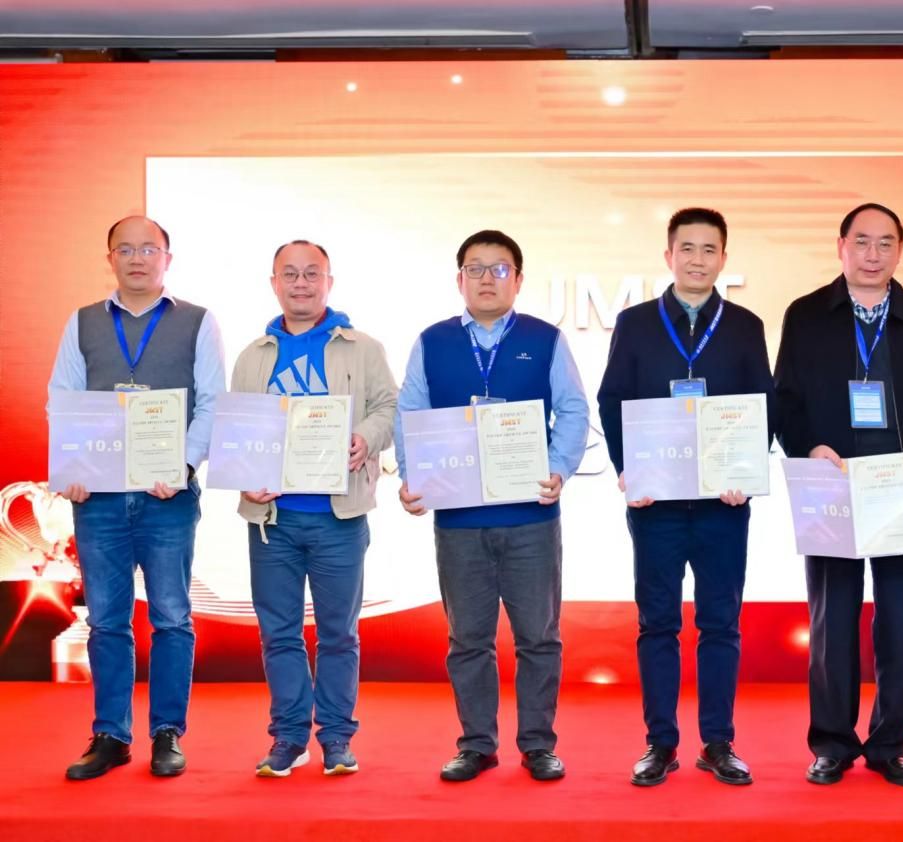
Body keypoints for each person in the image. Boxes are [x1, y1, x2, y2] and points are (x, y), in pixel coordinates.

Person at [775, 202, 903, 787]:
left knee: (900, 621)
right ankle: (832, 743)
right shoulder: (807, 315)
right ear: (841, 247)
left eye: (885, 243)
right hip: (832, 485)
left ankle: (890, 744)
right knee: (831, 621)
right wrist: (808, 447)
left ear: (900, 251)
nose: (873, 254)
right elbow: (785, 398)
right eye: (861, 241)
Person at [395, 230, 588, 782]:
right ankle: (476, 744)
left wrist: (559, 469)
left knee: (539, 637)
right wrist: (413, 478)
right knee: (468, 640)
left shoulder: (545, 339)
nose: (487, 278)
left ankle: (538, 744)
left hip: (531, 517)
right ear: (459, 279)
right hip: (459, 520)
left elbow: (574, 409)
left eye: (499, 269)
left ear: (518, 280)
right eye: (475, 268)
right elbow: (411, 415)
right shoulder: (432, 341)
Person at [597, 207, 774, 787]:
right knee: (658, 624)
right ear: (668, 255)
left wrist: (746, 471)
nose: (698, 260)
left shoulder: (745, 325)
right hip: (658, 507)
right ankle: (661, 743)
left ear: (724, 257)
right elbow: (612, 399)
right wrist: (630, 471)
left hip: (724, 504)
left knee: (721, 623)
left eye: (709, 249)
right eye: (688, 249)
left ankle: (718, 742)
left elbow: (762, 404)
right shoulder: (635, 323)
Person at [50, 215, 225, 780]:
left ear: (167, 258)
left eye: (149, 249)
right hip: (98, 497)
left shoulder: (198, 321)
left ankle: (167, 733)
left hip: (167, 495)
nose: (137, 259)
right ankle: (111, 735)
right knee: (106, 620)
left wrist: (185, 465)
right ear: (110, 259)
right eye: (124, 249)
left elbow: (212, 402)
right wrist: (72, 468)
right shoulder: (82, 322)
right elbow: (62, 399)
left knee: (171, 617)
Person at [233, 240, 398, 777]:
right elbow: (238, 431)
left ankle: (336, 737)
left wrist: (365, 437)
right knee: (278, 633)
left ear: (329, 282)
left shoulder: (362, 348)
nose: (300, 283)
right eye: (290, 274)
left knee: (339, 634)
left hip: (338, 516)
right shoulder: (253, 356)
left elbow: (389, 407)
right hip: (272, 522)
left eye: (311, 274)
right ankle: (288, 737)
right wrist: (245, 481)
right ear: (273, 283)